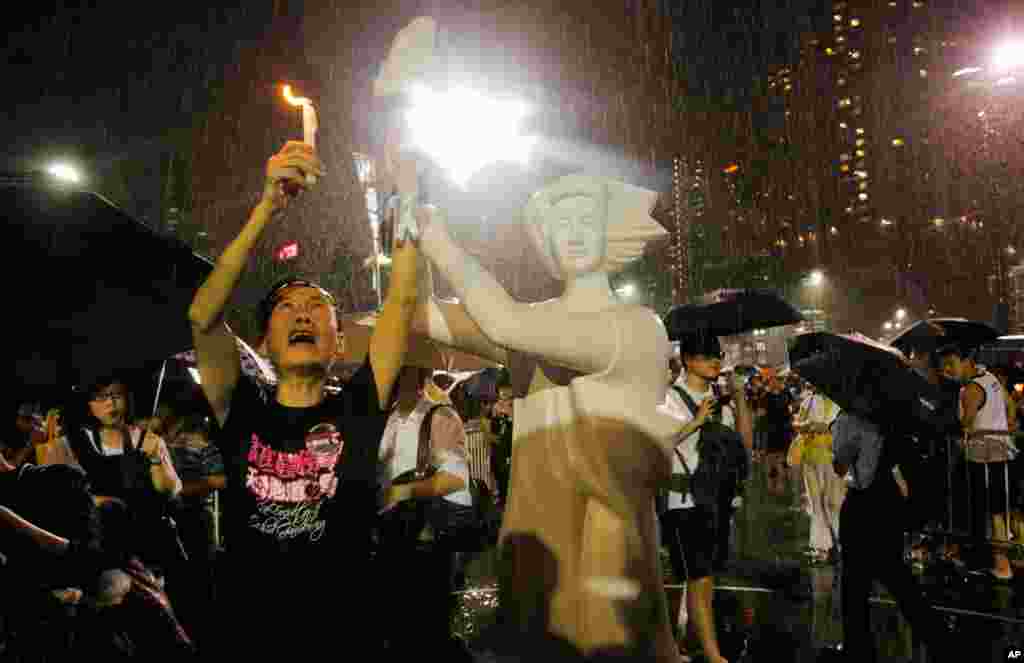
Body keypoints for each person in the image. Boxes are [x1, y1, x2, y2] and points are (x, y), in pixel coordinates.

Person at [414, 173, 685, 660]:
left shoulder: (637, 328)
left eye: (586, 219)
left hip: (607, 550)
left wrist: (441, 244)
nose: (574, 231)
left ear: (611, 232)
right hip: (535, 548)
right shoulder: (530, 325)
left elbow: (506, 322)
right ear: (545, 241)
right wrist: (408, 225)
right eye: (560, 224)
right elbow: (423, 315)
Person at [187, 140, 421, 657]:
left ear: (339, 341)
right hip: (248, 632)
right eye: (286, 306)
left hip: (345, 632)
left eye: (317, 307)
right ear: (265, 341)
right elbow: (203, 316)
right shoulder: (240, 407)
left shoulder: (359, 406)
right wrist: (267, 207)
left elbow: (403, 298)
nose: (301, 314)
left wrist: (408, 193)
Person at [659, 333, 752, 663]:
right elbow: (656, 445)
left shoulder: (719, 399)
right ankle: (713, 656)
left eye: (717, 354)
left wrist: (739, 397)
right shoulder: (669, 398)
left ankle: (688, 641)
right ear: (687, 360)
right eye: (705, 355)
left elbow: (744, 445)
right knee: (699, 579)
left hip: (716, 501)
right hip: (684, 503)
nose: (715, 360)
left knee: (705, 579)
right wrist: (694, 421)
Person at [832, 412, 953, 663]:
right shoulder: (892, 420)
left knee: (861, 581)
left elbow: (840, 466)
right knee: (890, 577)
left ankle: (859, 647)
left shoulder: (848, 420)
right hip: (885, 502)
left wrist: (848, 451)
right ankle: (937, 639)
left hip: (865, 505)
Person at [38, 376, 183, 576]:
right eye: (100, 397)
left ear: (127, 399)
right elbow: (54, 497)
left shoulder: (150, 440)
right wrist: (96, 501)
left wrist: (156, 459)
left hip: (148, 545)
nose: (110, 402)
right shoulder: (70, 444)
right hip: (99, 546)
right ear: (89, 404)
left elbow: (170, 490)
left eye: (116, 395)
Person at [377, 366, 473, 658]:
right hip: (390, 535)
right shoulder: (386, 417)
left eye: (399, 369)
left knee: (428, 628)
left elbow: (456, 478)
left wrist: (401, 491)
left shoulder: (439, 416)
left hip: (426, 539)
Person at [939, 343, 1017, 580]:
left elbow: (966, 423)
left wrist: (954, 424)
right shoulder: (991, 378)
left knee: (984, 510)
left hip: (982, 454)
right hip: (1001, 450)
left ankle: (996, 564)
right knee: (998, 509)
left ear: (967, 361)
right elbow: (1010, 406)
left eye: (952, 364)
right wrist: (1005, 428)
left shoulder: (971, 389)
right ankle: (1002, 564)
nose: (949, 370)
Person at [791, 385, 842, 564]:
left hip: (834, 457)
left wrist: (826, 427)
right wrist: (805, 426)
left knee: (833, 503)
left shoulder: (841, 400)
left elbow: (848, 425)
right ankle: (822, 548)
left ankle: (840, 543)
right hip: (810, 457)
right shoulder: (809, 399)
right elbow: (796, 423)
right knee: (816, 504)